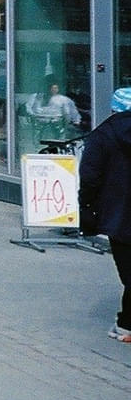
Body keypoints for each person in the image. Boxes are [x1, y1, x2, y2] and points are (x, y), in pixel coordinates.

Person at [78, 109, 131, 342]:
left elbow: (90, 175)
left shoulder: (107, 132)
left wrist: (87, 207)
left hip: (119, 214)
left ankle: (127, 326)